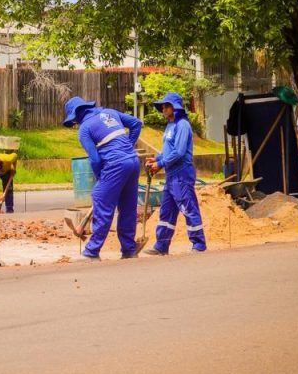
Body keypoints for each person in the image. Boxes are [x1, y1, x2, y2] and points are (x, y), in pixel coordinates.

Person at [62, 95, 142, 260]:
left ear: (76, 116)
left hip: (115, 165)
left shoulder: (84, 128)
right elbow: (136, 123)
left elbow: (95, 159)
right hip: (133, 161)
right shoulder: (110, 112)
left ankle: (92, 251)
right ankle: (129, 250)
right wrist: (128, 146)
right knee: (127, 207)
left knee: (100, 198)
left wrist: (101, 178)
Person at [143, 92, 205, 256]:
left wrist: (160, 164)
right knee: (166, 211)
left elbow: (178, 152)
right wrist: (156, 159)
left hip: (182, 174)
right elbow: (167, 151)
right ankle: (161, 245)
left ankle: (199, 244)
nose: (163, 109)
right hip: (171, 176)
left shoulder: (183, 125)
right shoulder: (169, 126)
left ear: (175, 107)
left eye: (167, 105)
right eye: (162, 106)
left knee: (188, 207)